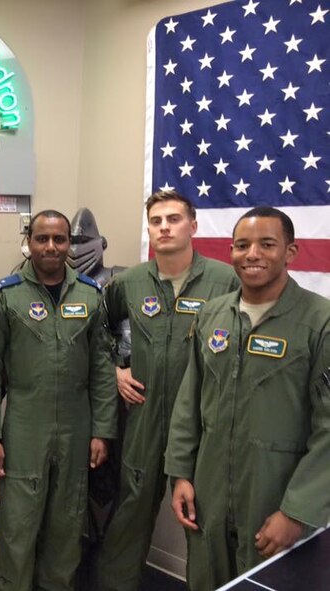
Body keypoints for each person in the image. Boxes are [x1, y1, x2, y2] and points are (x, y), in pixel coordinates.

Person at [165, 207, 329, 590]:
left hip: (275, 495)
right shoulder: (212, 315)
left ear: (291, 251)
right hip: (208, 491)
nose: (252, 253)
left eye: (266, 244)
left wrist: (297, 511)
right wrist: (180, 475)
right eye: (242, 245)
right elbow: (189, 402)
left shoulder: (318, 322)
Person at [95, 191, 238, 591]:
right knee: (129, 515)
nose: (164, 227)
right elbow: (98, 329)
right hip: (144, 417)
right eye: (157, 221)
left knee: (201, 518)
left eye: (174, 219)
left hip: (202, 422)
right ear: (149, 229)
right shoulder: (130, 282)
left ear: (192, 226)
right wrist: (115, 370)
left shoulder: (226, 280)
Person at [0, 209, 118, 590]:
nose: (51, 247)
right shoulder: (5, 295)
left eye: (59, 239)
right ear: (29, 242)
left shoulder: (89, 294)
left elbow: (103, 369)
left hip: (76, 426)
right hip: (23, 426)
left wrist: (102, 430)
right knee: (18, 527)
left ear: (69, 243)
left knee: (67, 525)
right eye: (42, 239)